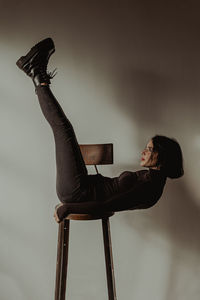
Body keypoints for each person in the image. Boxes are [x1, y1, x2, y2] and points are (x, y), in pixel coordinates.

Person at [16, 38, 184, 223]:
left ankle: (36, 73)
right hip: (84, 184)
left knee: (64, 129)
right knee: (65, 129)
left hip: (77, 192)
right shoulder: (150, 179)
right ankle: (35, 71)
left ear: (163, 157)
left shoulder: (149, 188)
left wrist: (68, 208)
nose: (144, 151)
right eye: (147, 147)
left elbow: (107, 206)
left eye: (150, 149)